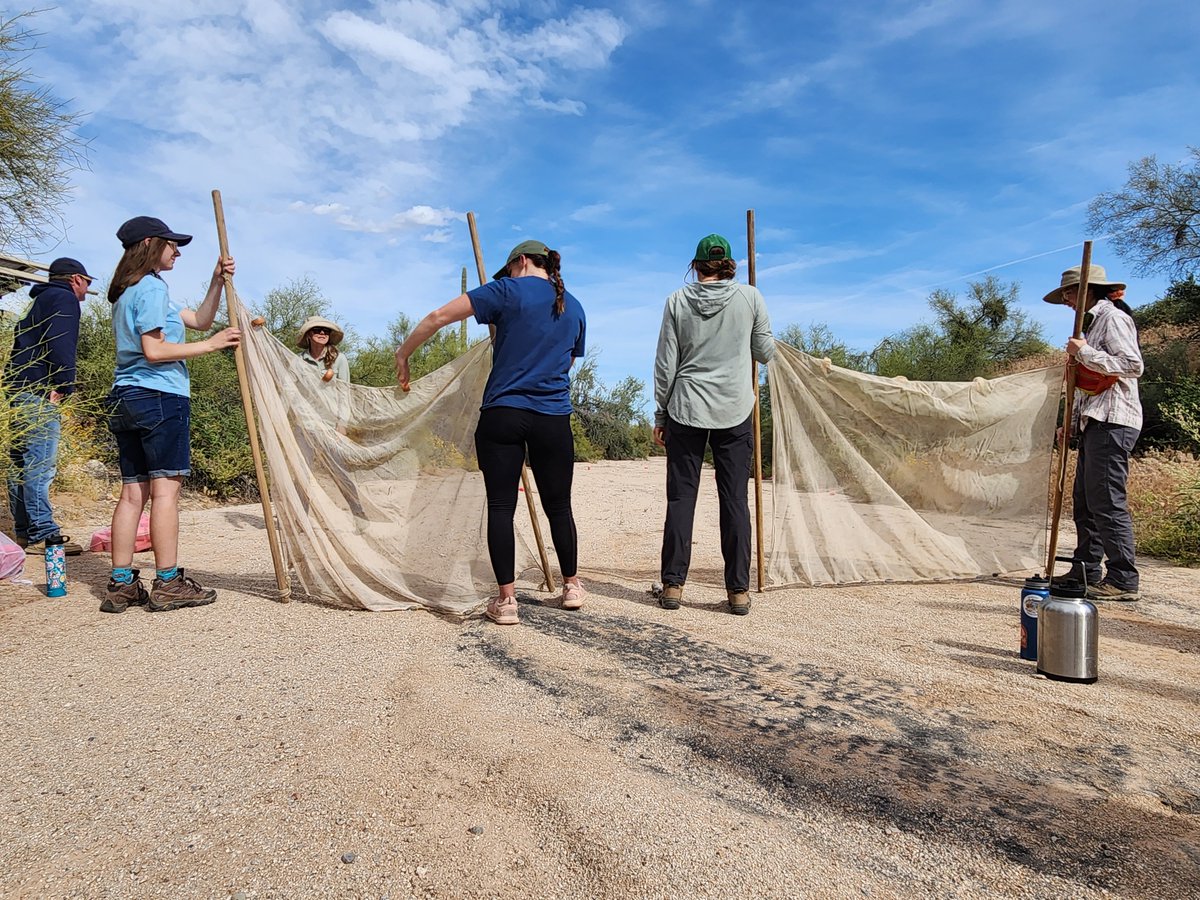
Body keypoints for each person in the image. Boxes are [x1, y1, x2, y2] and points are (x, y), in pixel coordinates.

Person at [394, 240, 586, 625]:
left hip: (503, 412)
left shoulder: (504, 291)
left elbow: (436, 317)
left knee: (501, 506)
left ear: (522, 261)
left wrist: (403, 354)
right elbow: (566, 363)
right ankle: (572, 586)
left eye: (511, 268)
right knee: (559, 505)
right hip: (553, 417)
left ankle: (507, 601)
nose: (509, 275)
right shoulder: (574, 306)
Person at [100, 216, 241, 614]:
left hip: (126, 397)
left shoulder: (128, 292)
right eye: (172, 244)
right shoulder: (151, 289)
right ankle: (167, 582)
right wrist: (212, 346)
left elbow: (200, 320)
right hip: (159, 396)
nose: (177, 251)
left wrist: (217, 280)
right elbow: (155, 351)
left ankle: (122, 584)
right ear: (149, 244)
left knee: (132, 494)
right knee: (165, 492)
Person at [653, 234, 774, 616]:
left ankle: (673, 587)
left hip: (685, 408)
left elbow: (665, 364)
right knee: (735, 500)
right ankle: (738, 591)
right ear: (729, 265)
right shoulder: (751, 297)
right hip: (735, 410)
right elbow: (765, 351)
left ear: (697, 265)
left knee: (681, 499)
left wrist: (661, 414)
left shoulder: (676, 301)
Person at [1044, 263, 1144, 601]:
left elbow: (1133, 365)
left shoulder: (1113, 318)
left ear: (1090, 289)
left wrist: (1083, 352)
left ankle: (1123, 578)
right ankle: (1085, 570)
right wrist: (1069, 426)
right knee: (1085, 501)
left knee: (1106, 499)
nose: (1067, 301)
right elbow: (1087, 388)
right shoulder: (1093, 324)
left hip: (1114, 422)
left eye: (1070, 293)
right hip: (1095, 421)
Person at [5, 258, 91, 556]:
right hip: (38, 389)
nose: (86, 289)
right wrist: (63, 384)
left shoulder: (40, 300)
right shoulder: (64, 298)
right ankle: (44, 533)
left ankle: (25, 534)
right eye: (87, 283)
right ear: (76, 279)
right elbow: (61, 342)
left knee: (20, 463)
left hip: (17, 388)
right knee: (40, 462)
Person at [297, 316, 350, 382]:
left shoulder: (339, 358)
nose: (322, 333)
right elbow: (289, 386)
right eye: (317, 330)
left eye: (326, 330)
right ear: (308, 334)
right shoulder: (298, 359)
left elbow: (344, 389)